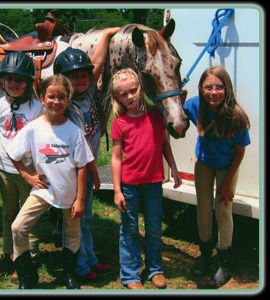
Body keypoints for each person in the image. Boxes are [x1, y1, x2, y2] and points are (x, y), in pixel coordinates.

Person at [6, 74, 95, 289]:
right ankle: (27, 275)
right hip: (43, 191)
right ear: (42, 98)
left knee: (73, 233)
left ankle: (69, 274)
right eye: (51, 97)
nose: (56, 101)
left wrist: (80, 199)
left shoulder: (74, 131)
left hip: (68, 192)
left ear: (68, 99)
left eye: (61, 97)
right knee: (18, 227)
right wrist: (27, 176)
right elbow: (13, 153)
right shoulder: (34, 128)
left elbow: (82, 166)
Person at [52, 27, 119, 280]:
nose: (80, 80)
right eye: (73, 77)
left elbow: (97, 64)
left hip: (88, 172)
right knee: (76, 220)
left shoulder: (88, 93)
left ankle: (89, 258)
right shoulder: (65, 107)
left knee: (86, 218)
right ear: (62, 80)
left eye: (83, 76)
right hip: (75, 173)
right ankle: (79, 266)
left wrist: (106, 36)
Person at [109, 68, 182, 290]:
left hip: (153, 183)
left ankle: (155, 269)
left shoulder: (155, 115)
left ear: (141, 88)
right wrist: (117, 190)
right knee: (129, 230)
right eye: (124, 94)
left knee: (154, 227)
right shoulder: (119, 123)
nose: (130, 96)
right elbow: (115, 158)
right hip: (129, 186)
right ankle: (130, 273)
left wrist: (175, 169)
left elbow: (163, 144)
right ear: (117, 98)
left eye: (133, 90)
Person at [182, 66, 251, 288]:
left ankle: (224, 262)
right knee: (203, 208)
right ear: (201, 89)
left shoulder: (236, 116)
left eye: (219, 87)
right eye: (208, 87)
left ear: (227, 89)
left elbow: (240, 151)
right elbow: (177, 115)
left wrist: (228, 183)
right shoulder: (195, 105)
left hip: (227, 167)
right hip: (203, 164)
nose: (214, 92)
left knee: (223, 210)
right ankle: (204, 254)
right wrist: (179, 97)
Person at [0, 51, 44, 278]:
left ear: (29, 82)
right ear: (2, 80)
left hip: (30, 171)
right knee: (9, 213)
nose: (14, 84)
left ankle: (30, 254)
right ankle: (8, 253)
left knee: (29, 214)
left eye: (20, 80)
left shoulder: (37, 108)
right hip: (6, 171)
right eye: (9, 79)